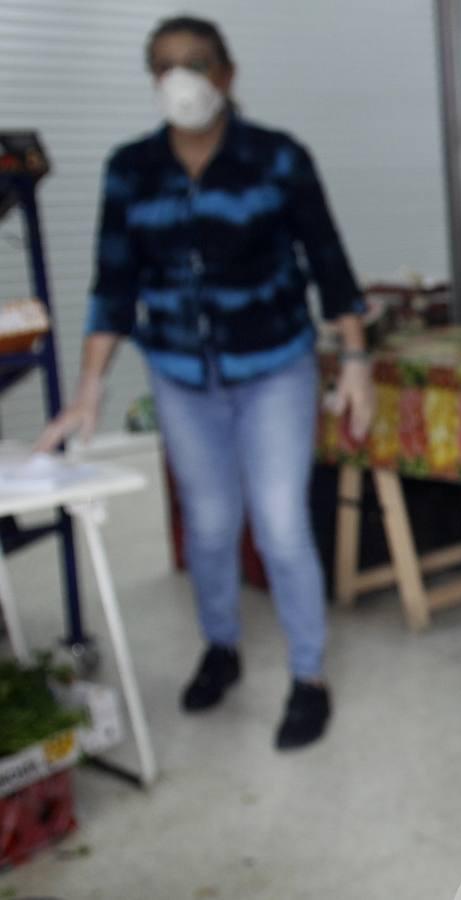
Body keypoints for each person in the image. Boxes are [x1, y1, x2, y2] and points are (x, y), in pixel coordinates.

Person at [37, 15, 375, 750]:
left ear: (225, 74)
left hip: (274, 368)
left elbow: (328, 261)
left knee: (282, 526)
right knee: (211, 525)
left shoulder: (276, 158)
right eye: (164, 66)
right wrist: (88, 390)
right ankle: (220, 647)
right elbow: (112, 286)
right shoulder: (131, 170)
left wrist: (354, 362)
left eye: (194, 63)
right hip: (182, 376)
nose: (179, 78)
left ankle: (308, 677)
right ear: (152, 78)